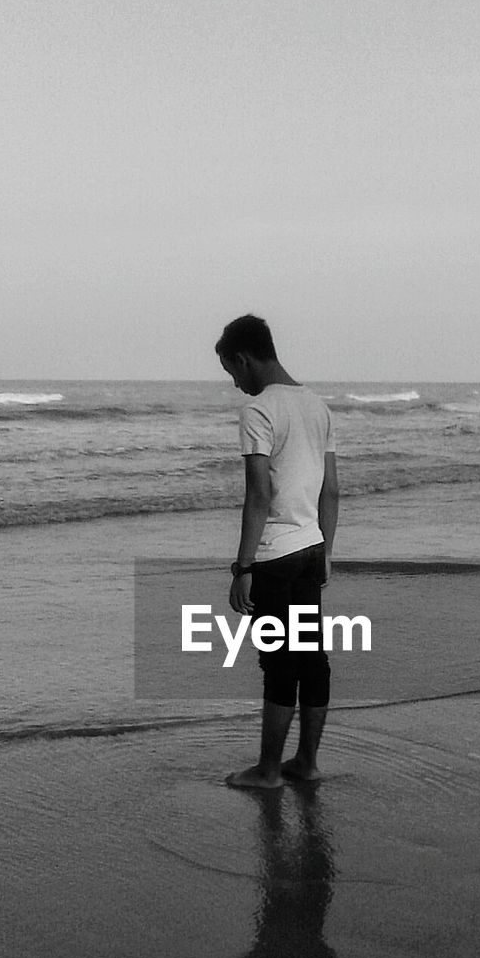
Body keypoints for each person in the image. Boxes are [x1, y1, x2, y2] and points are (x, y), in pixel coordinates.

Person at [216, 314, 339, 789]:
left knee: (278, 664)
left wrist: (242, 567)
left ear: (244, 358)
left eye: (231, 370)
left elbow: (260, 495)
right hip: (310, 546)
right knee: (311, 658)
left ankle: (268, 770)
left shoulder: (259, 411)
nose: (234, 382)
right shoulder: (316, 406)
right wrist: (327, 549)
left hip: (274, 555)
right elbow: (331, 491)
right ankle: (306, 762)